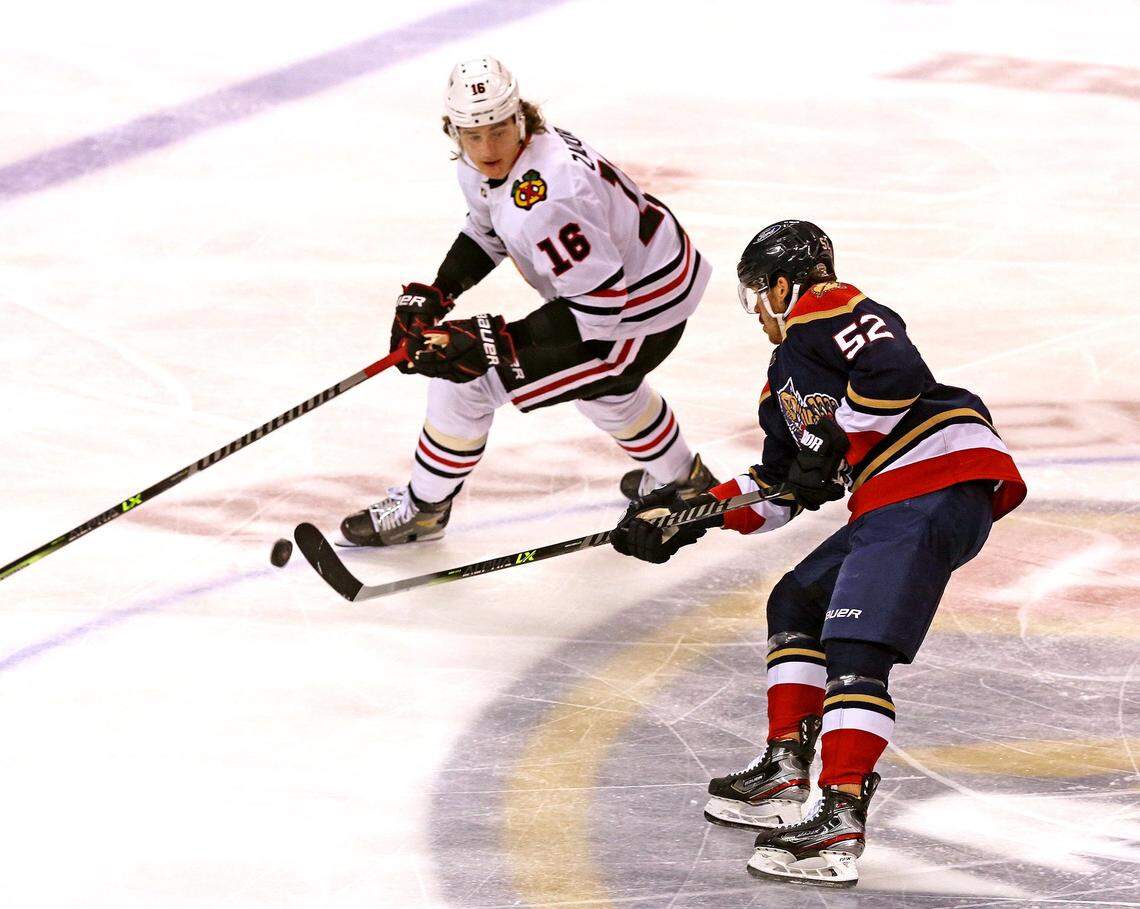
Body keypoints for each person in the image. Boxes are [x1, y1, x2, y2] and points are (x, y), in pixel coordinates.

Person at [609, 220, 1026, 888]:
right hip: (891, 498)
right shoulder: (783, 383)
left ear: (782, 282)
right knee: (798, 599)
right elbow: (780, 489)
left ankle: (838, 816)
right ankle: (783, 771)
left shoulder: (828, 308)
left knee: (856, 642)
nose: (758, 311)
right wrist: (686, 516)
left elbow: (897, 371)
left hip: (933, 476)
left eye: (758, 293)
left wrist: (836, 435)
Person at [340, 56, 717, 546]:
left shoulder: (551, 195)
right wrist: (439, 293)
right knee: (607, 391)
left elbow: (600, 308)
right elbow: (486, 229)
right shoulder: (498, 162)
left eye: (497, 130)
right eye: (472, 136)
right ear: (454, 133)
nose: (487, 148)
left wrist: (497, 341)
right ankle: (684, 483)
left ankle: (424, 509)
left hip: (640, 311)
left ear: (519, 117)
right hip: (653, 277)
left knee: (467, 383)